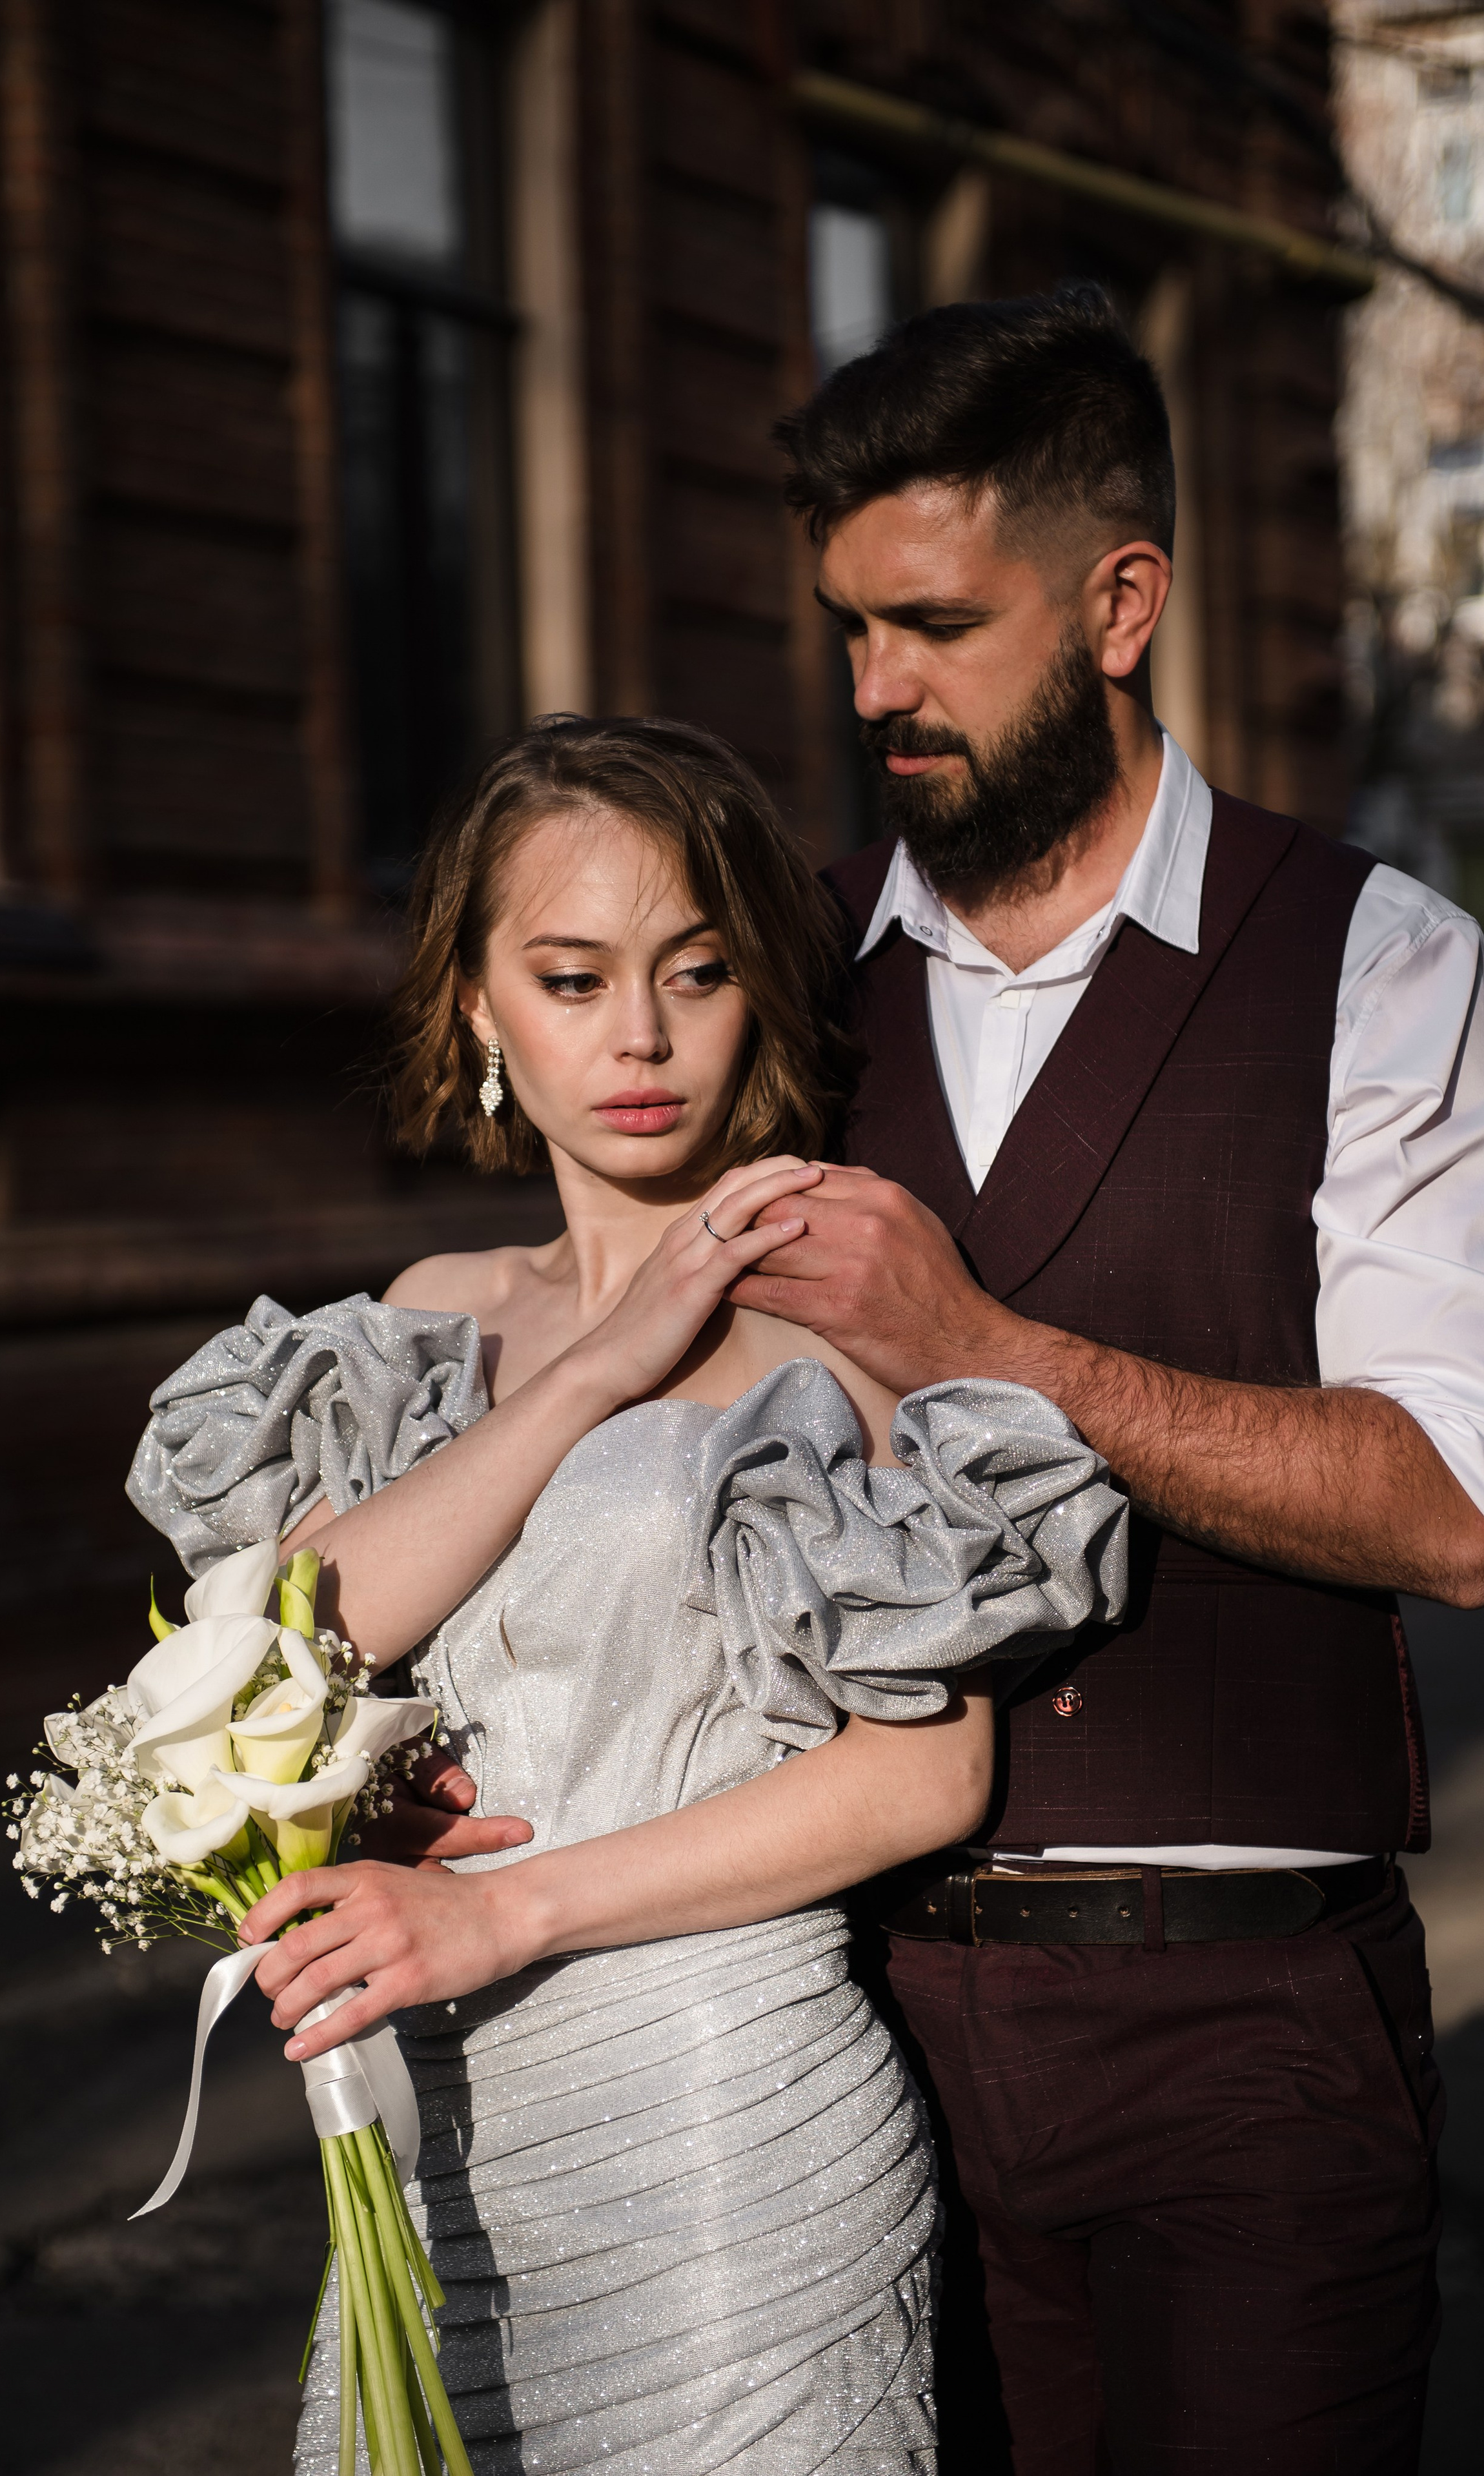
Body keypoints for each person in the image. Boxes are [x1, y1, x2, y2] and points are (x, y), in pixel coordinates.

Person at [368, 285, 1484, 2476]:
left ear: (1122, 602)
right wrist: (444, 1750)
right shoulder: (780, 978)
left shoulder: (1379, 961)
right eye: (847, 627)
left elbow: (1452, 1504)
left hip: (1246, 2019)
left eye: (935, 625)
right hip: (842, 2038)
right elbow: (565, 1382)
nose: (874, 687)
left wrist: (989, 1351)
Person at [127, 715, 1126, 2475]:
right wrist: (594, 1368)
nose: (643, 1038)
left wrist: (506, 1918)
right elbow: (290, 1641)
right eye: (574, 978)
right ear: (477, 1009)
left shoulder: (850, 1288)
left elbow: (925, 1776)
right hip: (438, 2149)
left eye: (697, 969)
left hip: (730, 2126)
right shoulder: (428, 1310)